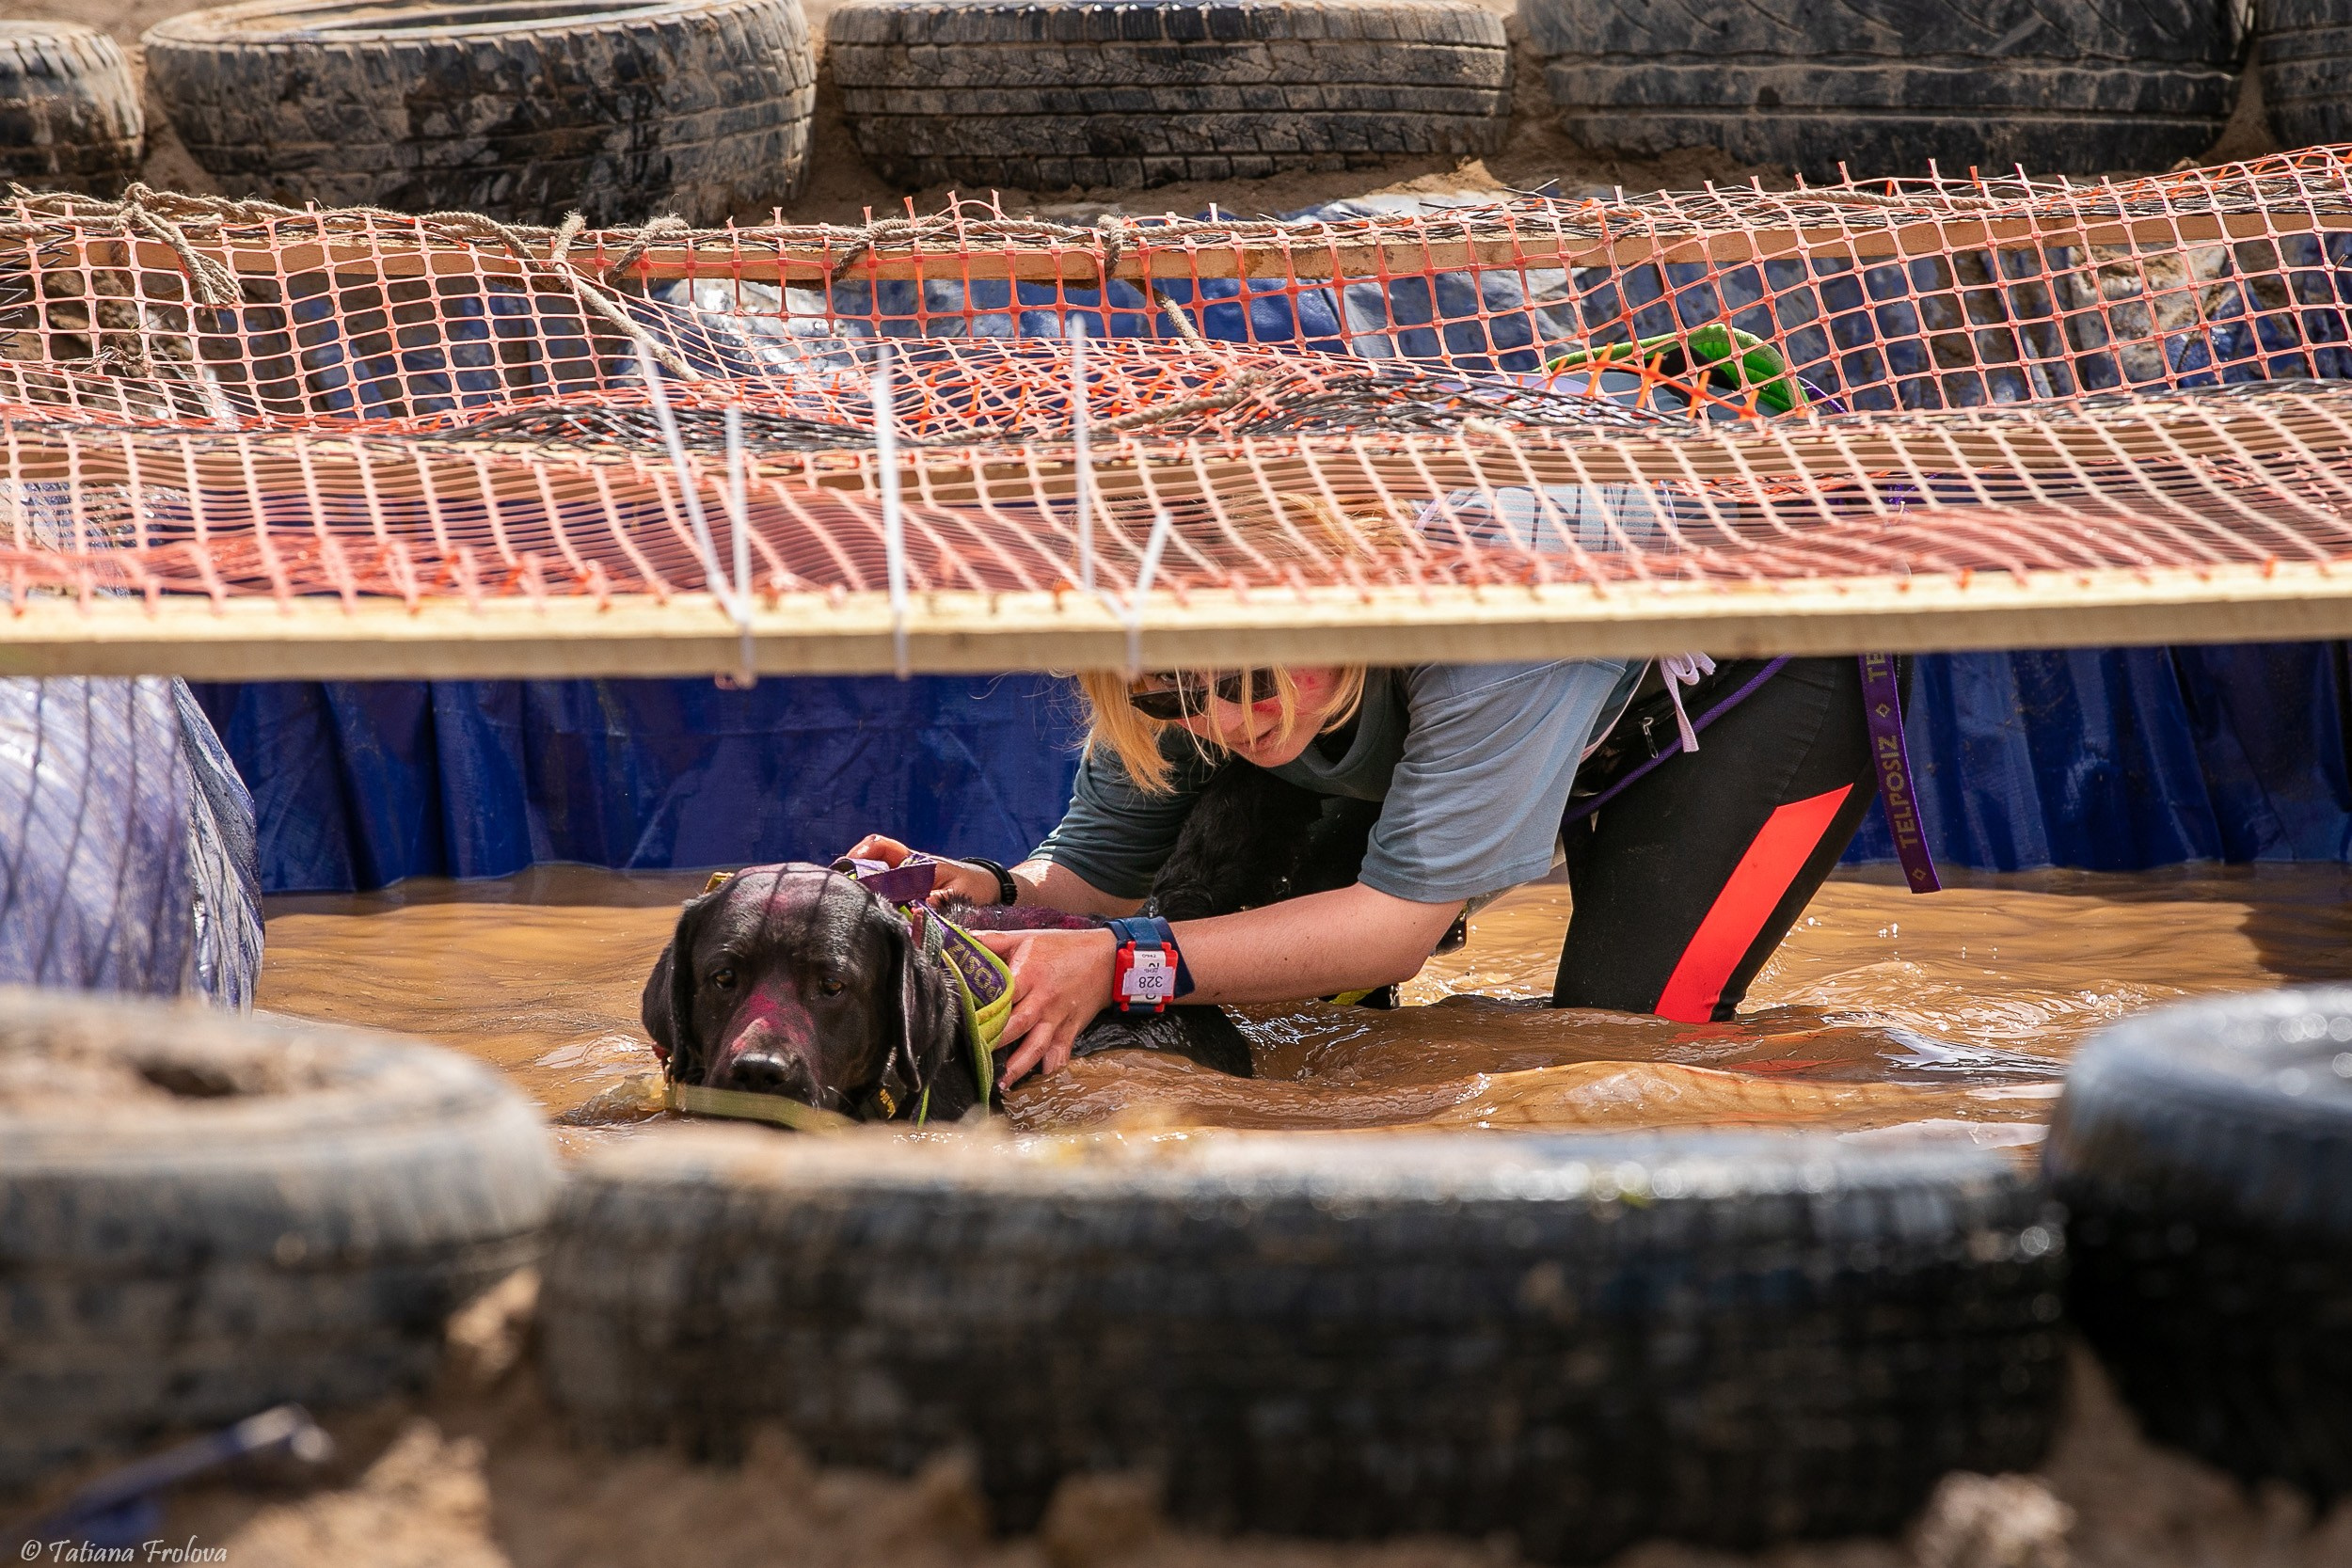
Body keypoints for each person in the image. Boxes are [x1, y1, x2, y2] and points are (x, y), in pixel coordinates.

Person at [850, 647, 1898, 1089]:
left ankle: (1865, 1077)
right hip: (1499, 689)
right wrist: (982, 888)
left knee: (1618, 1052)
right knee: (1254, 970)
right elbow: (1087, 878)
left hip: (1750, 682)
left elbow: (1394, 919)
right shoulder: (1179, 658)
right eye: (1176, 696)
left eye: (1244, 682)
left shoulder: (1492, 634)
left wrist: (1122, 966)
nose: (1220, 719)